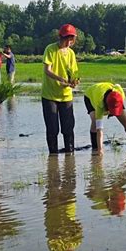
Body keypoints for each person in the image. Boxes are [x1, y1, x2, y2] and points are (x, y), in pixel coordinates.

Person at [41, 23, 80, 154]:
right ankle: (53, 156)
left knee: (68, 128)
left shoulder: (71, 54)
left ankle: (70, 155)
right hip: (50, 95)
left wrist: (74, 82)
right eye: (66, 39)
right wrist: (60, 79)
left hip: (66, 95)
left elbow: (73, 73)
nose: (68, 42)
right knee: (52, 128)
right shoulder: (50, 49)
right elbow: (47, 70)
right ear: (60, 37)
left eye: (71, 39)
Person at [84, 82, 126, 152]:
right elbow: (99, 130)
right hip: (90, 95)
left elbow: (117, 85)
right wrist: (100, 150)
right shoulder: (99, 105)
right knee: (95, 123)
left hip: (111, 94)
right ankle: (95, 149)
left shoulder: (120, 96)